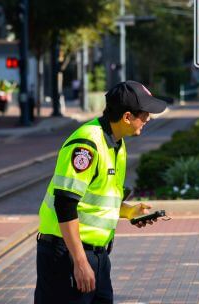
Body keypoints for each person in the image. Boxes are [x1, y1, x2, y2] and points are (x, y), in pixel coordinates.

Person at [34, 80, 167, 303]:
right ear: (127, 117)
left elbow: (95, 199)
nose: (148, 119)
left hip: (97, 255)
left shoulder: (116, 143)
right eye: (144, 114)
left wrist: (129, 212)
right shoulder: (87, 144)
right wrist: (79, 262)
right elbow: (64, 204)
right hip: (66, 255)